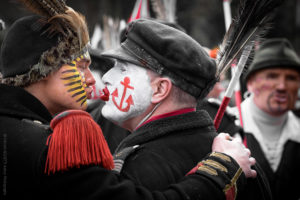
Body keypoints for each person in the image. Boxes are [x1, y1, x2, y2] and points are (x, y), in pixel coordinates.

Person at [0, 2, 256, 200]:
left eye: (121, 69)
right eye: (80, 67)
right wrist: (222, 169)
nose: (95, 79)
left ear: (160, 89)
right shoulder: (49, 149)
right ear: (42, 70)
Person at [99, 19, 270, 199]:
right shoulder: (242, 162)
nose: (106, 77)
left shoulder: (137, 167)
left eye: (123, 69)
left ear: (159, 89)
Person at [239, 38, 300, 200]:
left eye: (291, 78)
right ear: (250, 83)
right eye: (272, 76)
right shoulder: (225, 128)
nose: (282, 86)